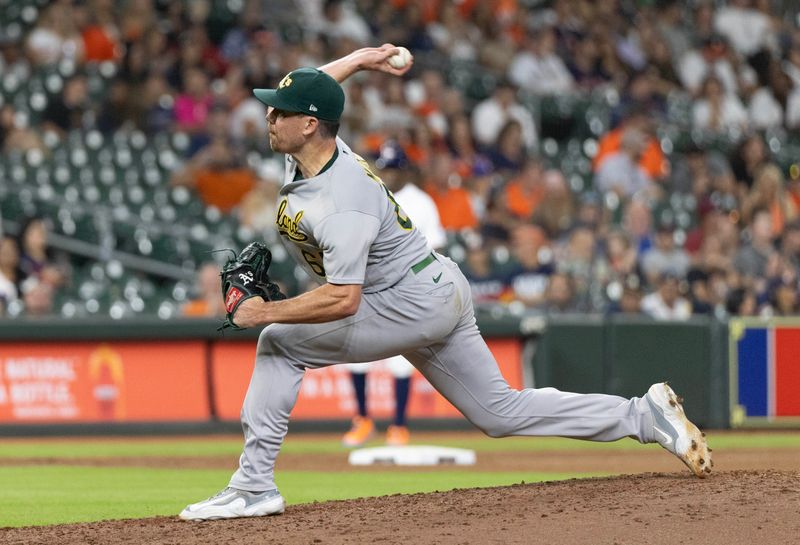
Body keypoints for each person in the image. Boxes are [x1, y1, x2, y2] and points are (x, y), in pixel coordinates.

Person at [179, 44, 712, 522]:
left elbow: (344, 299)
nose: (269, 116)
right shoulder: (314, 147)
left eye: (281, 111)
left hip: (406, 299)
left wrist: (260, 313)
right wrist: (362, 59)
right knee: (499, 412)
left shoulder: (341, 200)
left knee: (279, 342)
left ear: (311, 125)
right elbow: (317, 85)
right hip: (432, 285)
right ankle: (642, 416)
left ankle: (252, 487)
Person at [342, 141, 446, 447]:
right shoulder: (366, 195)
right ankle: (362, 421)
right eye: (383, 167)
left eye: (393, 168)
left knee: (401, 361)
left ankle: (399, 425)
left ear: (405, 170)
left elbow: (436, 248)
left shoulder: (422, 202)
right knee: (355, 357)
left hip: (407, 289)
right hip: (369, 286)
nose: (387, 173)